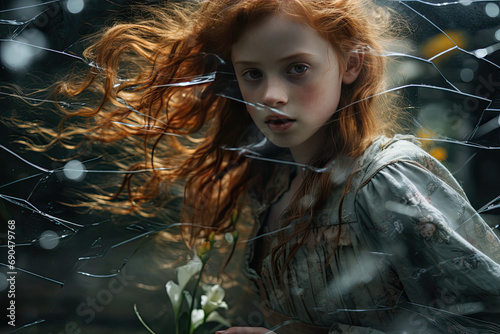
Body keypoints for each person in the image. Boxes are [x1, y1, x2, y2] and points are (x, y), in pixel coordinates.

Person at [12, 0, 500, 333]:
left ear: (350, 65)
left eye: (297, 68)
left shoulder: (387, 180)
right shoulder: (277, 189)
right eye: (252, 74)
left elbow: (488, 318)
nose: (271, 95)